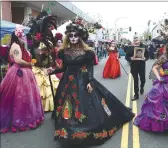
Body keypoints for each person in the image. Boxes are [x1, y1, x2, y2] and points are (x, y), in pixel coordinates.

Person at [47, 18, 134, 147]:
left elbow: (89, 68)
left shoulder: (87, 53)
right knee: (67, 105)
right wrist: (53, 70)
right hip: (67, 82)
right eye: (70, 35)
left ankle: (80, 127)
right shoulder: (64, 52)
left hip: (82, 80)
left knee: (85, 104)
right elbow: (64, 68)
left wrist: (89, 81)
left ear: (80, 37)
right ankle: (66, 130)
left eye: (76, 35)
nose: (73, 38)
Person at [0, 25, 44, 133]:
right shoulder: (16, 46)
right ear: (17, 35)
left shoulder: (19, 45)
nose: (23, 36)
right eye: (21, 34)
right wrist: (29, 63)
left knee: (23, 98)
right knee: (20, 98)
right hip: (19, 73)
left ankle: (23, 118)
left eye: (23, 34)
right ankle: (19, 121)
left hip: (24, 72)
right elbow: (18, 60)